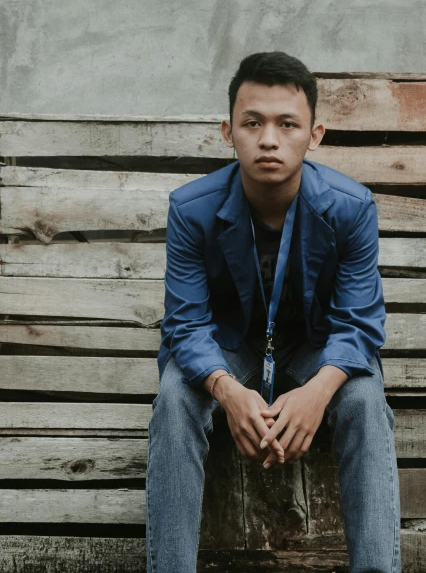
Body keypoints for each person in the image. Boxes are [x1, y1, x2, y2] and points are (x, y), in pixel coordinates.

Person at [146, 52, 402, 573]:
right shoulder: (191, 210)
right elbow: (186, 323)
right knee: (175, 396)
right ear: (227, 130)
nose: (269, 139)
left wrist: (319, 389)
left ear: (315, 134)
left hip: (316, 347)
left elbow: (359, 322)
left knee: (365, 399)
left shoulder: (351, 208)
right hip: (229, 347)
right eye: (252, 122)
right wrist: (226, 388)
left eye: (287, 124)